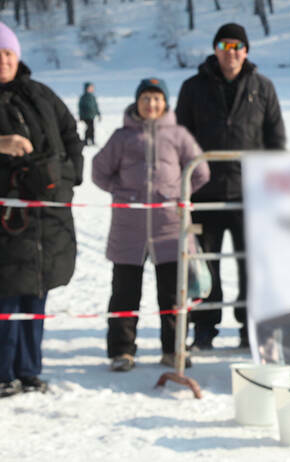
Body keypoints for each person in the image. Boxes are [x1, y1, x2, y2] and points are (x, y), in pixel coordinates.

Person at [0, 20, 83, 397]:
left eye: (8, 53)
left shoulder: (39, 93)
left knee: (37, 291)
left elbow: (70, 131)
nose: (3, 60)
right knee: (4, 292)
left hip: (47, 213)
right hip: (2, 216)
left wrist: (70, 175)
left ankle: (29, 369)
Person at [176, 22, 286, 350]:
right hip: (204, 192)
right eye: (225, 46)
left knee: (251, 265)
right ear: (215, 50)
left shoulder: (262, 87)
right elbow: (182, 139)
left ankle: (248, 328)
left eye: (237, 46)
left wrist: (272, 184)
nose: (231, 53)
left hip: (248, 194)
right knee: (203, 266)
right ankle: (204, 329)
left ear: (246, 51)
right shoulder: (193, 88)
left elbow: (275, 138)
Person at [92, 77, 209, 371]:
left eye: (157, 99)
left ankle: (174, 349)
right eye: (146, 98)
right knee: (124, 292)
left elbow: (200, 171)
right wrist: (121, 192)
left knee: (172, 293)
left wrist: (177, 194)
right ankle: (122, 351)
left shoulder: (178, 135)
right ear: (137, 102)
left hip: (169, 227)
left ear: (165, 103)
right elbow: (99, 171)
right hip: (128, 227)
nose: (151, 104)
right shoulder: (122, 136)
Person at [78, 82, 100, 146]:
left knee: (92, 128)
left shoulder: (92, 97)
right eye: (90, 88)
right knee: (88, 128)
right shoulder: (83, 97)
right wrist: (81, 116)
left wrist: (98, 114)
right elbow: (80, 107)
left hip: (92, 116)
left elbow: (95, 106)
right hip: (85, 116)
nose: (92, 89)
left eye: (92, 88)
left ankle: (92, 140)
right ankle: (86, 140)